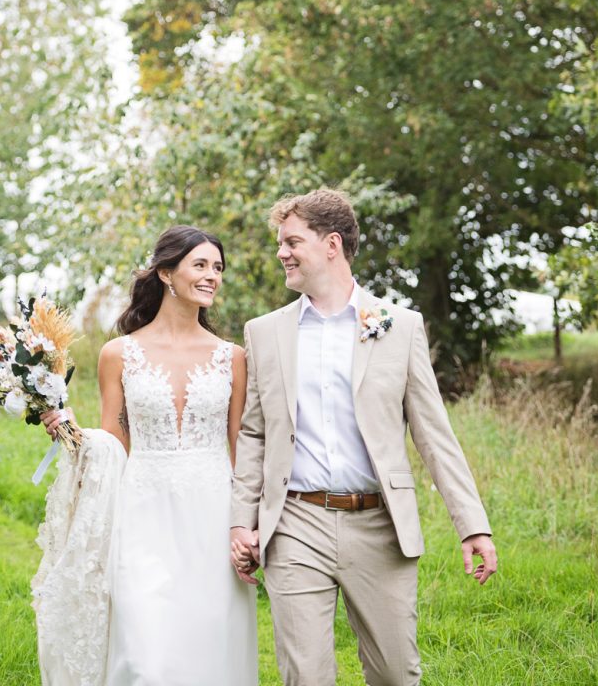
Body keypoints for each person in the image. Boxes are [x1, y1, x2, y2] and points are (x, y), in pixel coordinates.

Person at [229, 189, 496, 686]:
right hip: (295, 523)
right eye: (280, 243)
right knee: (305, 677)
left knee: (396, 674)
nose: (281, 253)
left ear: (332, 244)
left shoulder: (400, 326)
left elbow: (434, 434)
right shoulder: (265, 332)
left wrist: (473, 525)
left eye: (291, 241)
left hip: (380, 526)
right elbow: (254, 433)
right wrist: (241, 522)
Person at [35, 225, 257, 686]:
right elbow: (115, 443)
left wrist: (248, 525)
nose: (212, 276)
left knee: (211, 650)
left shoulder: (232, 357)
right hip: (142, 513)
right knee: (145, 657)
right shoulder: (119, 354)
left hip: (212, 514)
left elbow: (241, 448)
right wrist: (70, 432)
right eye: (201, 265)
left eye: (218, 268)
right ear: (166, 273)